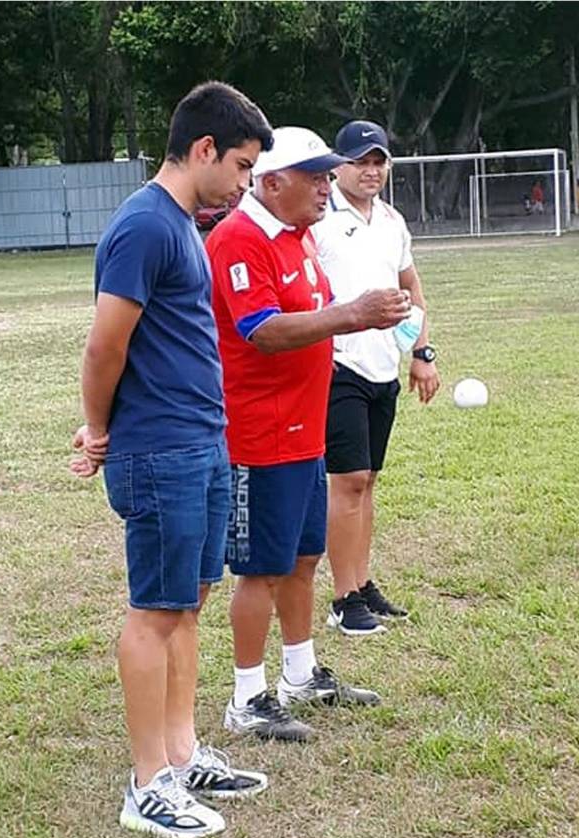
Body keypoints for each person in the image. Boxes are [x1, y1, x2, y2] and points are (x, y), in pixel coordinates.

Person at [70, 82, 273, 838]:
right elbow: (104, 344)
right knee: (154, 612)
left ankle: (182, 755)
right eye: (244, 167)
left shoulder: (187, 223)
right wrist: (97, 430)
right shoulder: (145, 227)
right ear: (203, 151)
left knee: (187, 602)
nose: (246, 183)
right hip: (160, 453)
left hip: (203, 443)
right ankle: (147, 781)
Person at [206, 127, 411, 742]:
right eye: (315, 177)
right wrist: (353, 314)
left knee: (302, 557)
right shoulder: (240, 239)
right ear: (271, 182)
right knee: (260, 570)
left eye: (328, 175)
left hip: (302, 427)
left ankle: (299, 674)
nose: (327, 187)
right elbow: (262, 330)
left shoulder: (296, 238)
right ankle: (247, 698)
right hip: (258, 431)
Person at [311, 120, 441, 637]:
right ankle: (343, 599)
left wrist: (422, 352)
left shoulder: (391, 221)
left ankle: (362, 584)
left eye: (378, 161)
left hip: (383, 365)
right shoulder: (318, 219)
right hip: (337, 364)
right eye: (360, 161)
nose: (370, 171)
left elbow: (413, 291)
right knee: (348, 481)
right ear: (337, 165)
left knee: (368, 482)